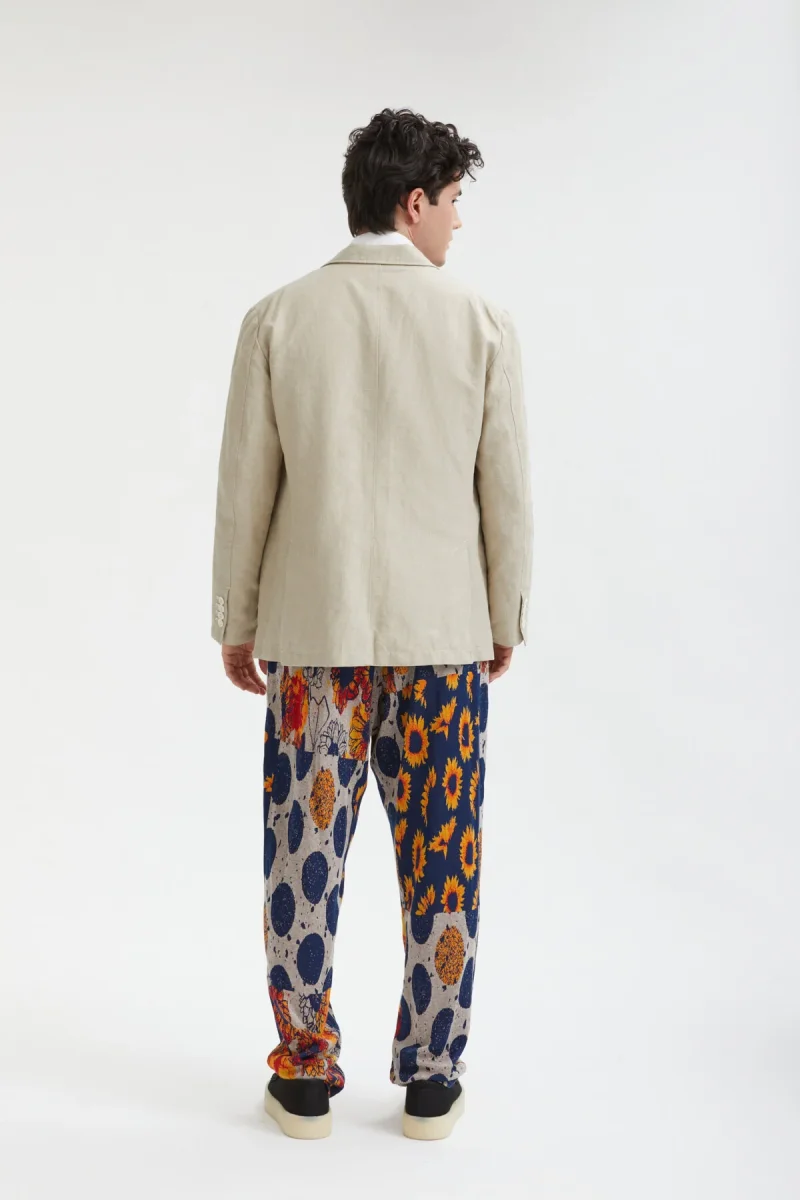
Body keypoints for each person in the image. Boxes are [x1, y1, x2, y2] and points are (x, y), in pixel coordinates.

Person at [209, 107, 533, 1141]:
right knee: (444, 859)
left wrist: (237, 619)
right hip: (444, 642)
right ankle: (431, 1080)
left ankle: (304, 1078)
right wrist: (504, 614)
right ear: (413, 199)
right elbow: (504, 493)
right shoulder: (480, 321)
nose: (457, 223)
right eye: (452, 202)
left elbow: (247, 490)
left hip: (317, 641)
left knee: (302, 860)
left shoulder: (278, 318)